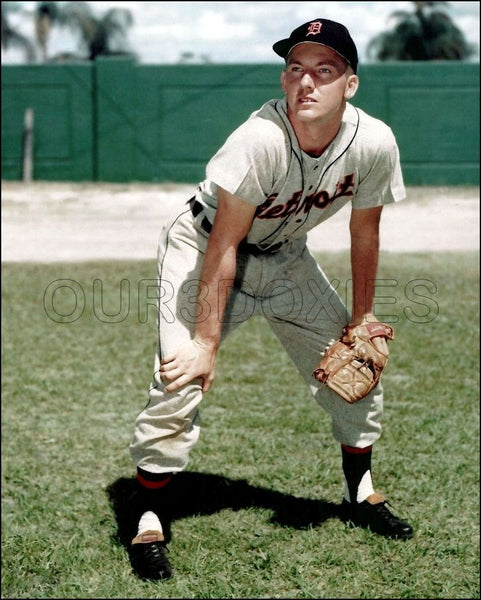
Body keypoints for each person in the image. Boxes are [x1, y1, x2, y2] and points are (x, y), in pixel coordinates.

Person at [128, 17, 413, 581]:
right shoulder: (259, 139)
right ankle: (147, 517)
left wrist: (363, 317)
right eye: (295, 69)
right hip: (205, 245)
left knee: (355, 368)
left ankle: (362, 493)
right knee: (180, 378)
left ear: (349, 84)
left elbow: (365, 231)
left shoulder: (374, 142)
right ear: (285, 80)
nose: (306, 82)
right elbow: (224, 245)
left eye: (324, 71)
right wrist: (207, 342)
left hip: (288, 260)